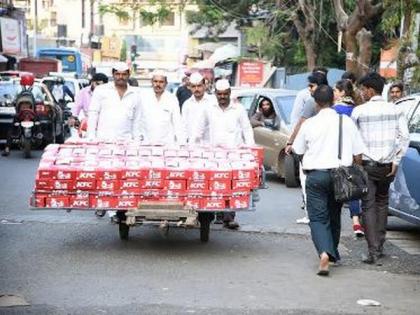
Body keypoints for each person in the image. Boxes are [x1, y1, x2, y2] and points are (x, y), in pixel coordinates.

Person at [293, 85, 366, 276]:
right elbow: (358, 152)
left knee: (317, 217)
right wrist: (356, 171)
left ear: (316, 102)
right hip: (340, 175)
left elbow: (298, 150)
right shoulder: (346, 122)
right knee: (334, 215)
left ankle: (324, 252)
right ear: (333, 100)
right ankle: (332, 253)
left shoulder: (309, 124)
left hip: (316, 175)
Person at [351, 72, 409, 264]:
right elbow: (404, 137)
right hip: (388, 167)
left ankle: (373, 250)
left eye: (363, 89)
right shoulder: (395, 110)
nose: (362, 93)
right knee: (382, 203)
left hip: (367, 166)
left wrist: (356, 164)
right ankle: (380, 246)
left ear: (369, 89)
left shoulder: (359, 112)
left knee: (368, 206)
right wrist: (396, 160)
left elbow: (354, 141)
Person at [193, 79, 255, 229]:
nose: (222, 97)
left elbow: (246, 129)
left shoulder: (238, 109)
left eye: (225, 94)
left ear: (229, 94)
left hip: (234, 154)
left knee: (232, 186)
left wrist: (250, 147)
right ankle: (215, 214)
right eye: (219, 94)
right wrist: (195, 146)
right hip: (214, 154)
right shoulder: (209, 108)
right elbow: (199, 129)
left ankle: (228, 216)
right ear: (215, 94)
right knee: (216, 185)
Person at [286, 71, 329, 225]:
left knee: (307, 183)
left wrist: (290, 142)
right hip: (329, 153)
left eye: (311, 86)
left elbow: (301, 122)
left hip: (311, 151)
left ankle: (311, 215)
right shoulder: (334, 102)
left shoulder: (312, 102)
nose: (309, 90)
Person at [332, 79, 364, 237]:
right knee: (353, 187)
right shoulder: (357, 109)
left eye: (336, 91)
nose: (334, 93)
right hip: (354, 151)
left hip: (337, 153)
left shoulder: (334, 110)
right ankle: (356, 221)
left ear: (342, 92)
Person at [86, 62, 142, 141]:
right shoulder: (101, 90)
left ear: (129, 75)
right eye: (117, 74)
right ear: (113, 74)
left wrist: (137, 139)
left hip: (127, 142)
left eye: (124, 74)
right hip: (103, 141)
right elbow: (93, 114)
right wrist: (91, 136)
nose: (120, 77)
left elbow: (137, 119)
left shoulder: (136, 93)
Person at [138, 70, 185, 145]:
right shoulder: (144, 97)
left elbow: (177, 122)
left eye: (161, 82)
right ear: (151, 82)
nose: (158, 84)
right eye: (155, 81)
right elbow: (138, 120)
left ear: (166, 83)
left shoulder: (172, 99)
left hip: (167, 144)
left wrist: (181, 143)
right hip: (147, 143)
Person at [182, 72, 215, 143]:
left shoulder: (213, 101)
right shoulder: (187, 104)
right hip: (192, 145)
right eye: (193, 86)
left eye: (199, 86)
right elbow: (184, 126)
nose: (196, 89)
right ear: (190, 87)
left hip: (210, 145)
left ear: (204, 86)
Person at [2, 92, 35, 157]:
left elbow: (38, 124)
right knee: (10, 131)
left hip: (31, 125)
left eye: (27, 104)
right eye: (23, 104)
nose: (25, 106)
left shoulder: (34, 115)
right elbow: (12, 129)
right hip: (20, 122)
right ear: (19, 105)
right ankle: (7, 148)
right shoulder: (17, 116)